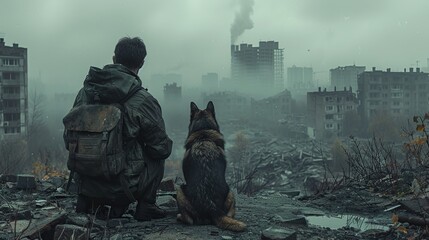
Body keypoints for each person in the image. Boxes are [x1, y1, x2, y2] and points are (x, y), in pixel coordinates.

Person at [68, 37, 173, 221]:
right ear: (141, 63)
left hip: (85, 183)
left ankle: (90, 200)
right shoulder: (143, 100)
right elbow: (161, 148)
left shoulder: (85, 92)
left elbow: (68, 139)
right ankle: (146, 206)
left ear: (114, 59)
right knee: (157, 154)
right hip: (123, 188)